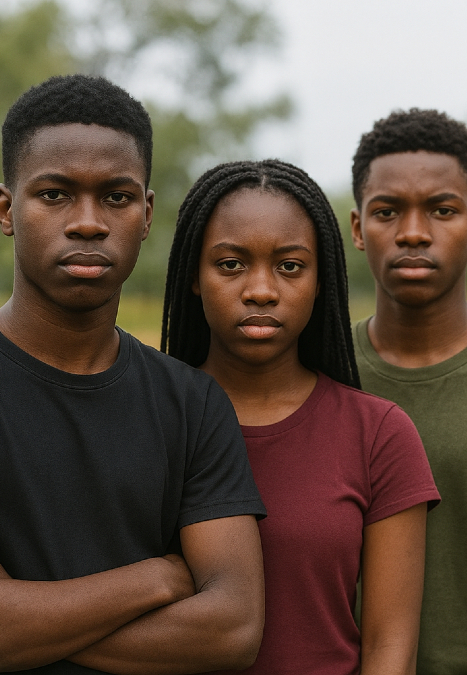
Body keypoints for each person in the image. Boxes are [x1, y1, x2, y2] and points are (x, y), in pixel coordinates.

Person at [0, 75, 267, 673]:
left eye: (116, 198)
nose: (88, 223)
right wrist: (154, 579)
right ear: (6, 210)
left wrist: (28, 626)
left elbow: (233, 629)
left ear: (146, 215)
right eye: (54, 194)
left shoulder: (193, 403)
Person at [161, 159, 441, 675]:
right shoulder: (149, 415)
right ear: (194, 276)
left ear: (320, 280)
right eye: (230, 264)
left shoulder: (378, 433)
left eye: (290, 266)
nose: (261, 290)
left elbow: (389, 648)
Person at [349, 108, 467, 675]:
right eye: (387, 211)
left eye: (442, 210)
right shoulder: (316, 372)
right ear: (358, 228)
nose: (413, 232)